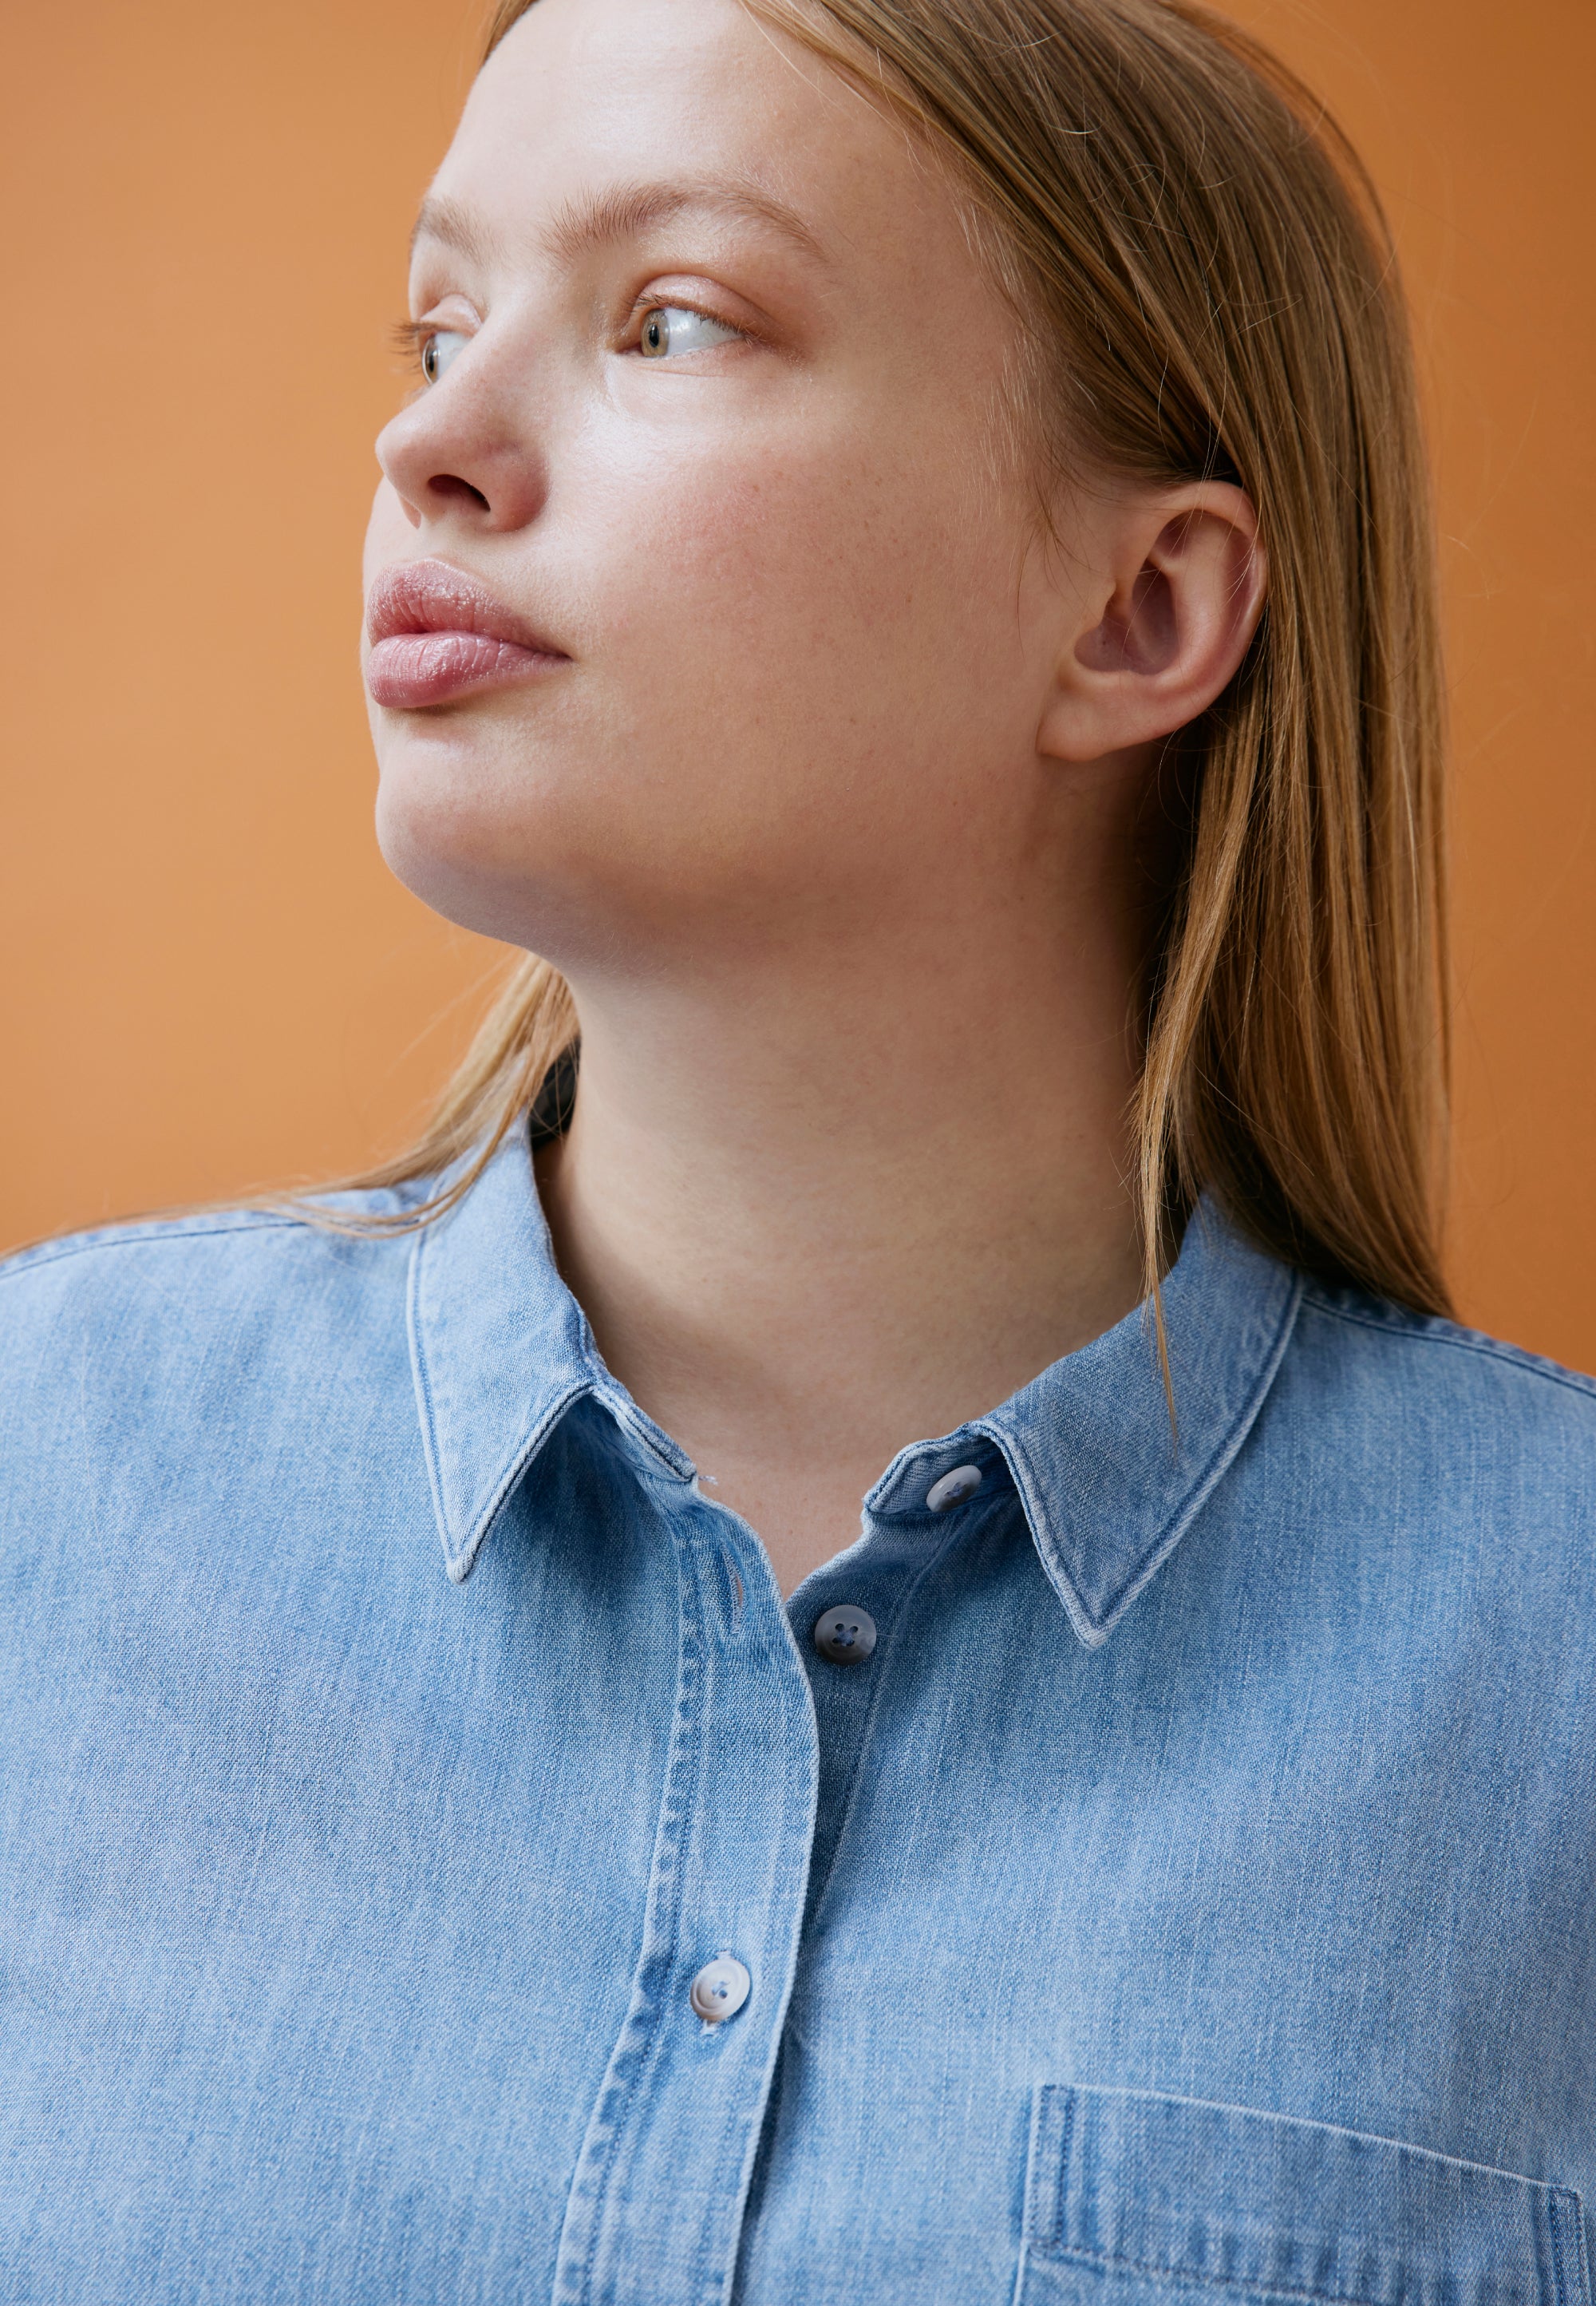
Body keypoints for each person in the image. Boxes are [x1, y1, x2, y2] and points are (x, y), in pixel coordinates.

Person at [1, 0, 1590, 2296]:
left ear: (1139, 609)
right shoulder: (46, 1476)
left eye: (672, 318)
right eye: (438, 320)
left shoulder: (1557, 1668)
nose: (428, 435)